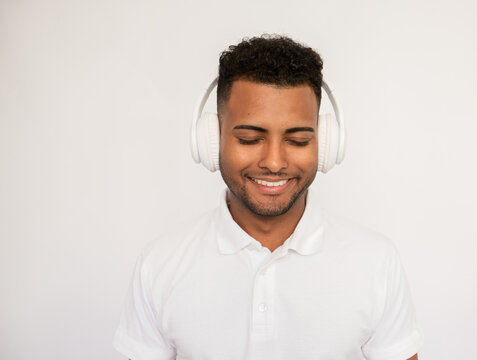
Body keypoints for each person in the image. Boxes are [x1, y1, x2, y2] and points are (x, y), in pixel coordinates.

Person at [113, 35, 423, 360]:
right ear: (210, 138)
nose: (274, 162)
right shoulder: (159, 265)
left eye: (299, 140)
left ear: (327, 143)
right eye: (249, 138)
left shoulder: (376, 262)